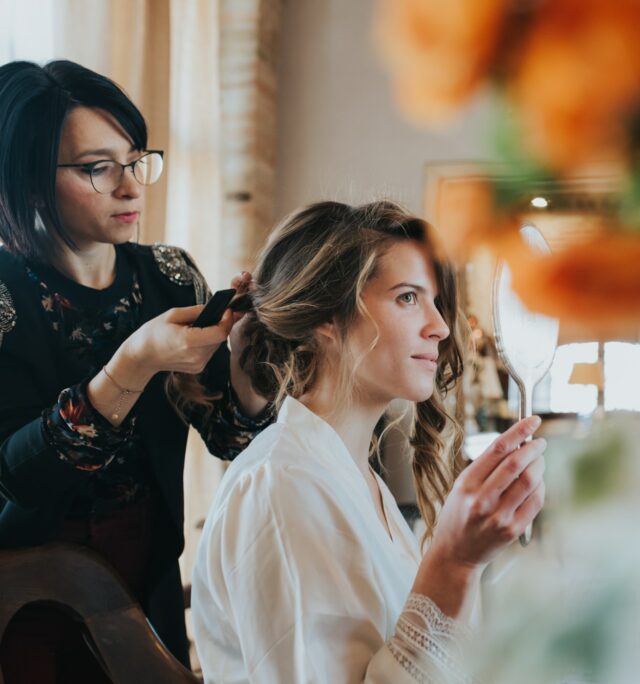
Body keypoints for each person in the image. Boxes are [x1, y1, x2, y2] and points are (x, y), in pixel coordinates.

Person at [191, 201, 547, 683]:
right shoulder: (280, 487)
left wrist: (474, 563)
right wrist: (454, 562)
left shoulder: (358, 481)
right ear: (327, 318)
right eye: (406, 298)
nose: (440, 327)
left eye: (435, 300)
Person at [0, 60, 273, 681]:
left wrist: (252, 364)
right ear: (28, 178)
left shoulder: (169, 277)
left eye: (136, 160)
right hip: (24, 604)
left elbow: (230, 436)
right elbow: (19, 481)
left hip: (146, 589)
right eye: (97, 168)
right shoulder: (5, 298)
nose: (130, 186)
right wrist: (132, 365)